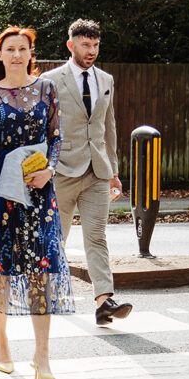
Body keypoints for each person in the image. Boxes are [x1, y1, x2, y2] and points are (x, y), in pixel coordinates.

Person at [0, 26, 76, 379]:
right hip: (0, 189)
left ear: (31, 54)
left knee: (40, 267)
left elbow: (56, 137)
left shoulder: (47, 88)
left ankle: (42, 355)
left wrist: (50, 170)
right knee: (0, 265)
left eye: (22, 49)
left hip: (39, 190)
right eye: (10, 49)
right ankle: (2, 345)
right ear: (0, 55)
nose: (16, 55)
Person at [42, 19, 131, 325]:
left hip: (98, 172)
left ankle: (104, 301)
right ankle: (48, 292)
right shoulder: (51, 80)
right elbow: (43, 127)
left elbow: (109, 126)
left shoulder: (105, 80)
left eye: (95, 45)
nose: (91, 51)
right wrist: (44, 167)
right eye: (85, 45)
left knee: (97, 237)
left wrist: (114, 171)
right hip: (62, 171)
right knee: (57, 237)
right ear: (71, 45)